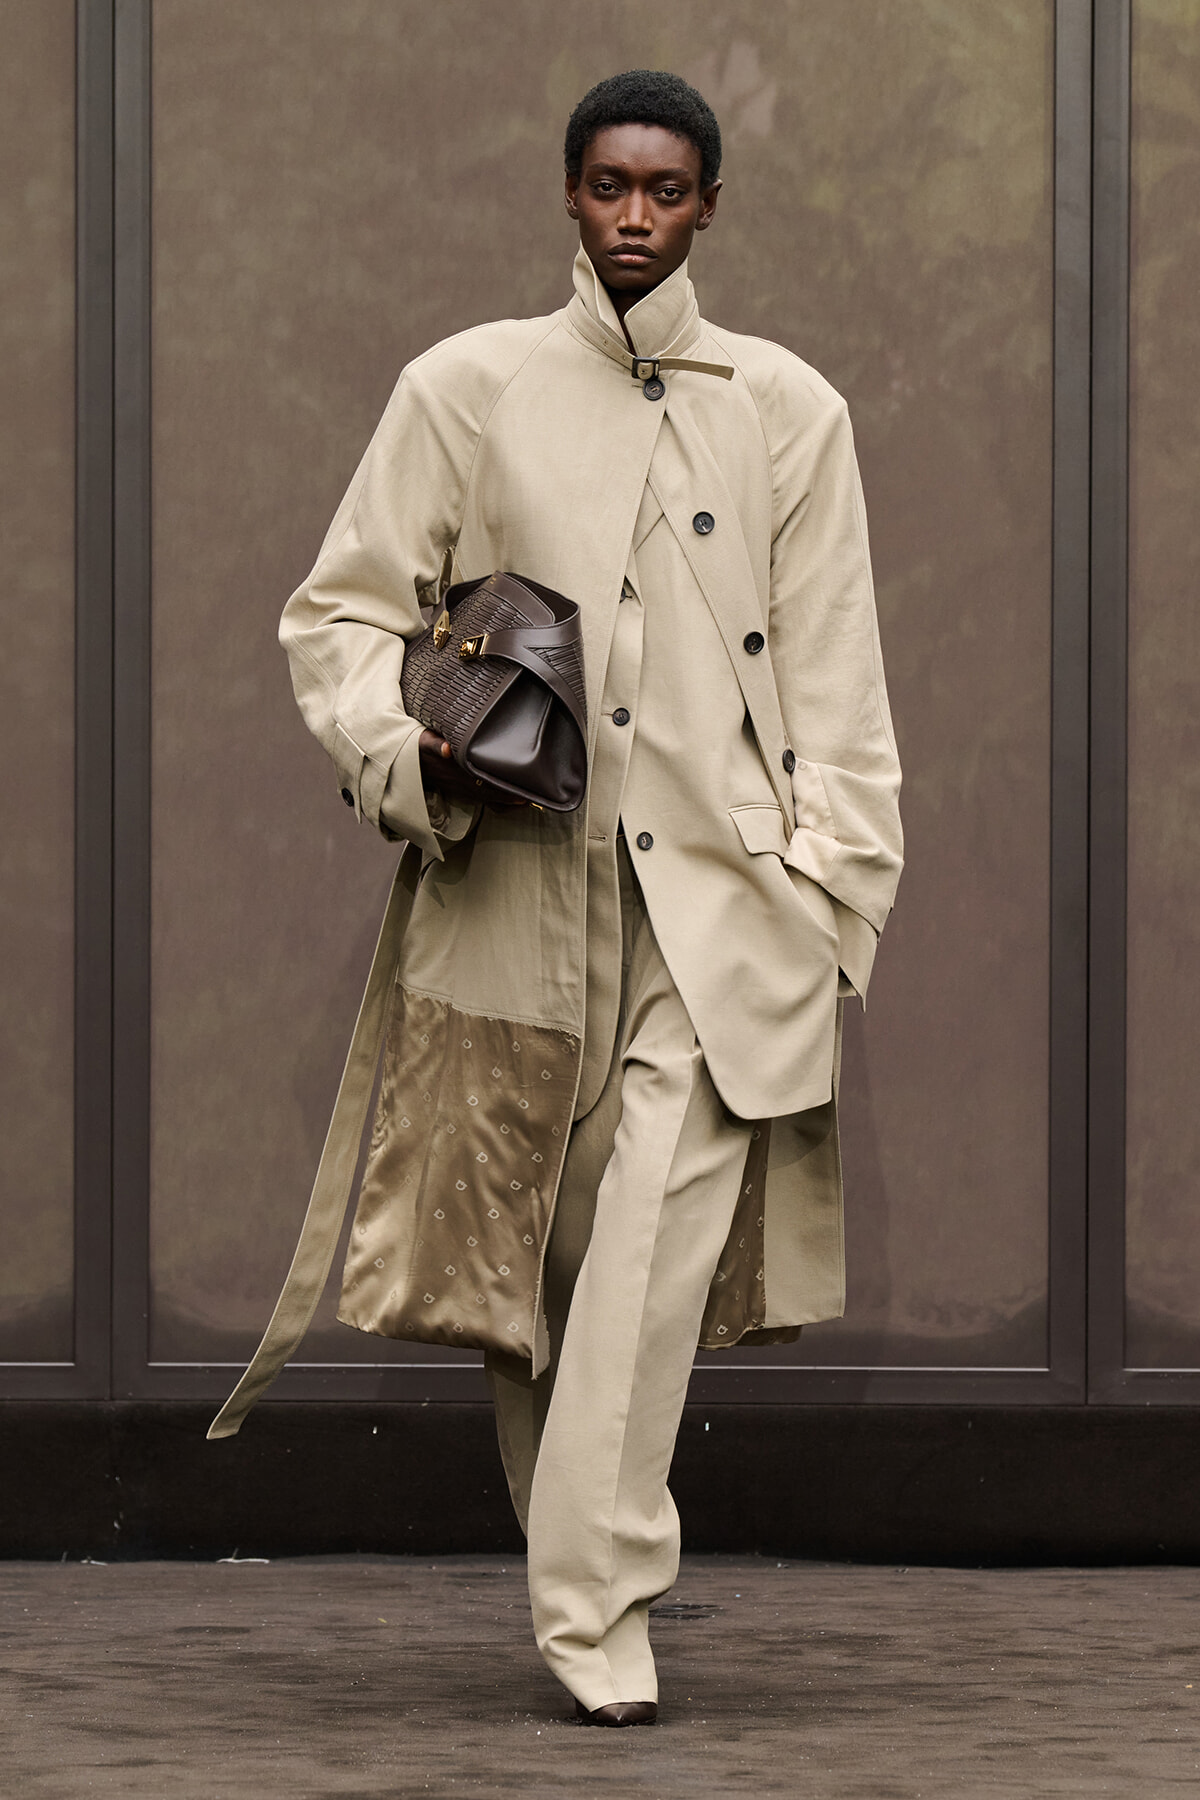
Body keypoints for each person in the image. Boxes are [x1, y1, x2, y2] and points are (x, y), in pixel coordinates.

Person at [211, 69, 902, 1727]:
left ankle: (597, 1606)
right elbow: (338, 616)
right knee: (544, 1275)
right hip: (518, 899)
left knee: (652, 1249)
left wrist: (832, 892)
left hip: (724, 910)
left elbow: (838, 673)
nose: (636, 217)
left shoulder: (791, 409)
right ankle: (584, 1575)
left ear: (712, 203)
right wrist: (406, 756)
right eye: (609, 186)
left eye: (666, 189)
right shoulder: (468, 386)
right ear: (570, 194)